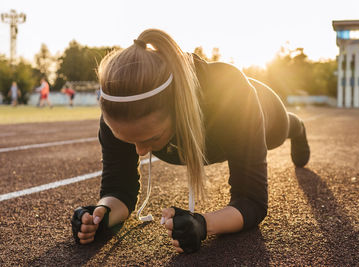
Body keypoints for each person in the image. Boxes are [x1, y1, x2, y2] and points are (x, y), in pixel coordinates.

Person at [71, 29, 310, 253]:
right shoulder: (122, 109)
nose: (141, 152)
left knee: (282, 130)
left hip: (265, 113)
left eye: (150, 138)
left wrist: (204, 224)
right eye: (126, 139)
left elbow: (252, 201)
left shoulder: (234, 96)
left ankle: (298, 129)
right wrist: (101, 215)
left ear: (178, 108)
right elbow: (118, 190)